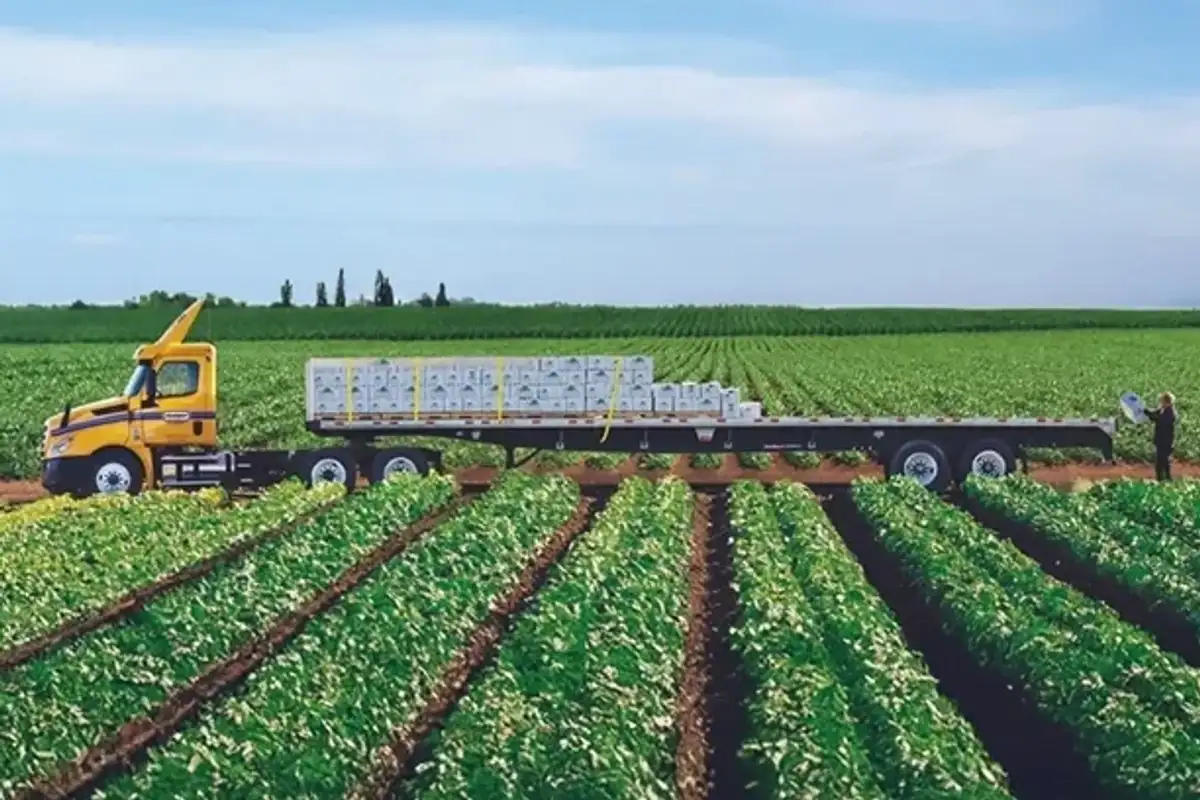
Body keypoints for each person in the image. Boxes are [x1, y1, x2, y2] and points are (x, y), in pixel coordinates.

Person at [1144, 392, 1176, 481]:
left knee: (1162, 461)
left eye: (1162, 400)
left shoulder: (1170, 412)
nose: (1160, 402)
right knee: (1162, 461)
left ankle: (1163, 479)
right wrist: (1145, 411)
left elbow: (1160, 420)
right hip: (1161, 440)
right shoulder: (1162, 410)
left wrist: (1149, 414)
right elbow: (1153, 414)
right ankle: (1165, 479)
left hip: (1166, 440)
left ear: (1167, 401)